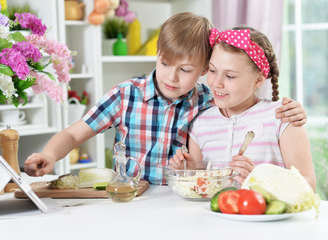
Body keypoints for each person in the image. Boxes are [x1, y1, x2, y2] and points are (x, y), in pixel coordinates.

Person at [24, 13, 307, 185]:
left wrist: (291, 110)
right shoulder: (125, 95)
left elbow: (243, 105)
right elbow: (74, 135)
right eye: (164, 63)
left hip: (175, 201)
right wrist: (49, 155)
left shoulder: (209, 101)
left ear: (202, 69)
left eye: (185, 70)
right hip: (131, 197)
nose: (172, 77)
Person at [169, 26, 316, 190]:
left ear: (258, 80)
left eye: (230, 76)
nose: (216, 82)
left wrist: (258, 181)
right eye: (212, 70)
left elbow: (308, 185)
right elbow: (200, 187)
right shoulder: (201, 124)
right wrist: (190, 172)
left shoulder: (282, 118)